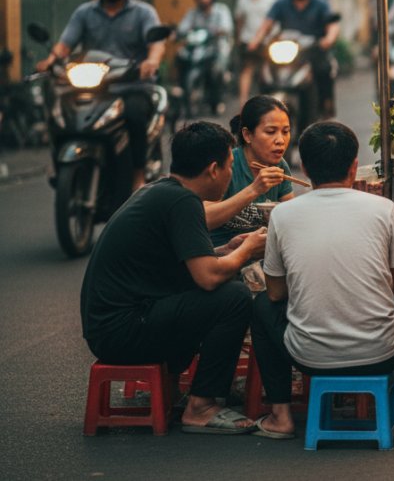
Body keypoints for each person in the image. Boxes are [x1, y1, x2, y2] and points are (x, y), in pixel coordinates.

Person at [250, 121, 394, 440]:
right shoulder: (384, 209)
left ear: (305, 168)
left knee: (260, 306)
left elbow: (275, 293)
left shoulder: (282, 216)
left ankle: (280, 416)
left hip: (308, 357)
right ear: (354, 166)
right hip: (383, 353)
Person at [80, 121, 265, 434]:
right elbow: (206, 277)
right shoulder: (182, 202)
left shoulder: (162, 190)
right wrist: (246, 250)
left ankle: (201, 390)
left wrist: (226, 249)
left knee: (228, 282)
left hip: (113, 325)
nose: (231, 174)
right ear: (213, 169)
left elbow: (189, 262)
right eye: (230, 166)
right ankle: (202, 406)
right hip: (121, 331)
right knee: (234, 298)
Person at [36, 0, 165, 191]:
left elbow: (156, 45)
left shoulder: (143, 12)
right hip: (94, 86)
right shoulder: (85, 12)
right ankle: (60, 163)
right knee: (59, 112)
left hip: (131, 85)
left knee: (136, 116)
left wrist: (151, 61)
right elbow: (65, 44)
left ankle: (138, 175)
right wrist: (51, 60)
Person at [249, 0, 339, 118]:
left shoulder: (322, 2)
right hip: (286, 49)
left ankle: (326, 106)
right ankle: (260, 113)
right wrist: (256, 41)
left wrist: (328, 39)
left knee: (323, 69)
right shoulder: (281, 2)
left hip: (312, 51)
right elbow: (267, 24)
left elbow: (332, 25)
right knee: (263, 74)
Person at [205, 96, 296, 248]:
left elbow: (293, 219)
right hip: (221, 256)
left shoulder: (280, 166)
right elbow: (202, 219)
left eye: (285, 131)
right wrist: (254, 189)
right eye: (271, 131)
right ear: (247, 135)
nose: (280, 140)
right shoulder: (228, 164)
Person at [178, 0, 235, 114]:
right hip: (198, 47)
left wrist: (219, 31)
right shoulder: (193, 12)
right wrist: (179, 33)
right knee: (180, 56)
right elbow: (183, 28)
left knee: (217, 69)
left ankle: (218, 99)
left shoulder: (221, 10)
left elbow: (226, 27)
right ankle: (181, 91)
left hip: (217, 47)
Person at [234, 0, 279, 105]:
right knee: (247, 69)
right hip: (248, 40)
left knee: (266, 71)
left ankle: (266, 102)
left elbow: (275, 21)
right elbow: (239, 21)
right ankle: (243, 101)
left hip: (268, 41)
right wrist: (238, 38)